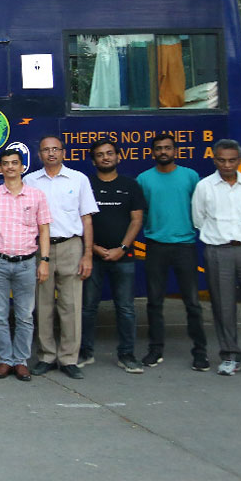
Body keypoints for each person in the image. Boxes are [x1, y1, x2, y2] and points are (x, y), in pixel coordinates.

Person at [192, 139, 241, 379]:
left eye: (232, 160)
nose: (227, 165)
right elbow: (199, 219)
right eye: (222, 160)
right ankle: (229, 356)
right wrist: (221, 238)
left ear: (239, 160)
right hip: (218, 251)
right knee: (222, 305)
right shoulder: (205, 187)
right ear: (214, 159)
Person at [23, 135, 97, 379]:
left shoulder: (78, 179)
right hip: (40, 249)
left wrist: (87, 254)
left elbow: (86, 218)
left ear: (64, 152)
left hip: (71, 246)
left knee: (71, 305)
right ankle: (46, 356)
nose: (51, 153)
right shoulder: (30, 181)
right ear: (40, 154)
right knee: (42, 305)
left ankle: (68, 359)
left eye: (56, 149)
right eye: (46, 150)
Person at [0, 148, 51, 381]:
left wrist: (45, 261)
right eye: (6, 163)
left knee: (25, 316)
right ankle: (4, 361)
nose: (10, 167)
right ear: (0, 169)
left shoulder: (36, 196)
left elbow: (44, 230)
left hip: (26, 263)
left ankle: (20, 361)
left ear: (22, 167)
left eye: (14, 163)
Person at [136, 133, 208, 371]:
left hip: (185, 246)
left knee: (193, 303)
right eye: (158, 148)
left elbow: (199, 208)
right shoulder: (144, 179)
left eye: (167, 148)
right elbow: (141, 213)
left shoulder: (190, 177)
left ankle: (200, 353)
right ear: (152, 152)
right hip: (156, 246)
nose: (163, 152)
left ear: (175, 151)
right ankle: (155, 350)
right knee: (155, 303)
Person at [79, 140, 146, 373]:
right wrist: (93, 247)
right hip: (93, 256)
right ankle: (85, 352)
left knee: (126, 308)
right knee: (88, 307)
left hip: (123, 257)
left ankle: (126, 354)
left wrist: (123, 248)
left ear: (119, 157)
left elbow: (137, 219)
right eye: (100, 155)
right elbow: (82, 219)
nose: (105, 158)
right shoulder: (86, 185)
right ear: (93, 160)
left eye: (109, 154)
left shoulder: (131, 185)